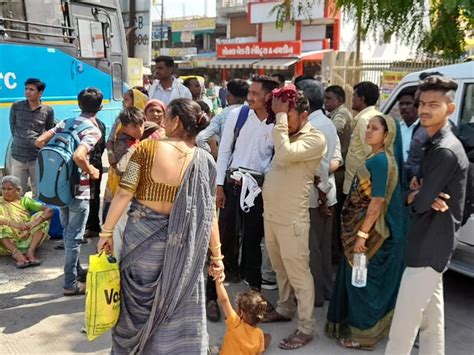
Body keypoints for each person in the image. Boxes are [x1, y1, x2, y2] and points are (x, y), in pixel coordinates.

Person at [97, 98, 223, 354]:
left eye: (166, 116)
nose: (161, 122)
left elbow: (123, 194)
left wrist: (106, 232)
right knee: (177, 308)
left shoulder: (146, 150)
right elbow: (209, 214)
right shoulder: (205, 161)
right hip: (184, 250)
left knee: (136, 310)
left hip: (142, 246)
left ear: (176, 121)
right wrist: (217, 256)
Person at [386, 76, 469, 355]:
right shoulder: (433, 144)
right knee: (432, 324)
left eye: (433, 104)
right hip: (428, 241)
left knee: (402, 328)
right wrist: (419, 195)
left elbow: (418, 203)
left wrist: (413, 196)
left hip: (430, 246)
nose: (424, 109)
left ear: (450, 108)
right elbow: (421, 197)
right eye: (422, 103)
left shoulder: (445, 149)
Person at [326, 114, 407, 350]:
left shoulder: (381, 161)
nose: (368, 131)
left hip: (370, 234)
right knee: (360, 281)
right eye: (368, 127)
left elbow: (377, 201)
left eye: (375, 128)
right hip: (364, 229)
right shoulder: (379, 157)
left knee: (361, 283)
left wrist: (361, 235)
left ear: (386, 135)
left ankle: (363, 337)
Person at [205, 76, 279, 322]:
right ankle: (211, 298)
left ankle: (254, 299)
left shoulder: (277, 121)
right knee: (222, 242)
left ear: (268, 96)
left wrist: (261, 181)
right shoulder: (238, 115)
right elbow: (225, 150)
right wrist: (219, 186)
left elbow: (276, 158)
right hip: (231, 185)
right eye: (250, 92)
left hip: (258, 189)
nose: (251, 96)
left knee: (252, 243)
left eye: (256, 93)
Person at [262, 89, 327, 350]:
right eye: (281, 115)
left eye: (288, 115)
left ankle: (305, 327)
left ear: (304, 114)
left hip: (292, 220)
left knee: (299, 274)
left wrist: (278, 118)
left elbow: (287, 153)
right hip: (273, 215)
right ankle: (285, 308)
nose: (283, 120)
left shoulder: (315, 139)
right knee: (280, 269)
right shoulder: (286, 134)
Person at [36, 88, 102, 296]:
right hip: (78, 190)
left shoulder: (66, 121)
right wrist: (92, 171)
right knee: (74, 237)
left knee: (67, 233)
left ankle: (76, 270)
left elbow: (39, 141)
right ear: (100, 107)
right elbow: (78, 155)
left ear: (79, 103)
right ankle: (69, 284)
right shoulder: (93, 129)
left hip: (60, 187)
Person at [297, 79, 340, 307]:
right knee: (320, 247)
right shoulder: (324, 122)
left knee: (312, 248)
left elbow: (318, 167)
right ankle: (324, 291)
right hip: (323, 193)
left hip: (316, 196)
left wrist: (322, 196)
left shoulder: (315, 126)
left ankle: (316, 295)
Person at [9, 78, 55, 197]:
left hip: (36, 158)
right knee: (17, 192)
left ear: (40, 93)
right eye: (26, 89)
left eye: (31, 89)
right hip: (17, 156)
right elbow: (13, 127)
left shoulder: (47, 111)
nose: (27, 92)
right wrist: (21, 141)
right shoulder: (16, 106)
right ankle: (20, 215)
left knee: (38, 192)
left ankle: (36, 216)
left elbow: (48, 132)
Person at [324, 85, 353, 262]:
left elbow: (335, 129)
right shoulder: (335, 113)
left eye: (329, 99)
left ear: (340, 100)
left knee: (333, 217)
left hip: (338, 170)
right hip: (337, 168)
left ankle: (334, 254)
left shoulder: (340, 114)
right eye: (325, 98)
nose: (326, 102)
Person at [0, 175, 53, 268]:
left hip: (27, 235)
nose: (5, 192)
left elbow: (49, 210)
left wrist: (34, 223)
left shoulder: (25, 201)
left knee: (41, 218)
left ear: (18, 190)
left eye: (9, 189)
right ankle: (17, 254)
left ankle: (30, 251)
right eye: (3, 189)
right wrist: (15, 225)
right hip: (7, 242)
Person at [344, 81, 381, 195]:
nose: (352, 99)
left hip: (358, 186)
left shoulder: (365, 120)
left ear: (362, 99)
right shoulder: (376, 115)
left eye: (354, 96)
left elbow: (370, 152)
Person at [215, 277, 270, 354]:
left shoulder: (235, 324)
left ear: (241, 313)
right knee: (267, 337)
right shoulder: (259, 334)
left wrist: (218, 281)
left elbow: (224, 301)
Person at [196, 79, 249, 153]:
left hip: (227, 161)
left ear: (228, 96)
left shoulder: (222, 115)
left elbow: (200, 138)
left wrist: (211, 154)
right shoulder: (255, 113)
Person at [84, 117, 106, 239]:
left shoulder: (78, 123)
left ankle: (89, 227)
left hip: (85, 165)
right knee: (94, 196)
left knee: (85, 197)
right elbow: (102, 146)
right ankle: (93, 226)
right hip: (96, 163)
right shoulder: (100, 123)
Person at [398, 86, 419, 162]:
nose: (404, 107)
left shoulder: (423, 129)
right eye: (401, 104)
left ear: (417, 105)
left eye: (408, 103)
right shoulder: (397, 128)